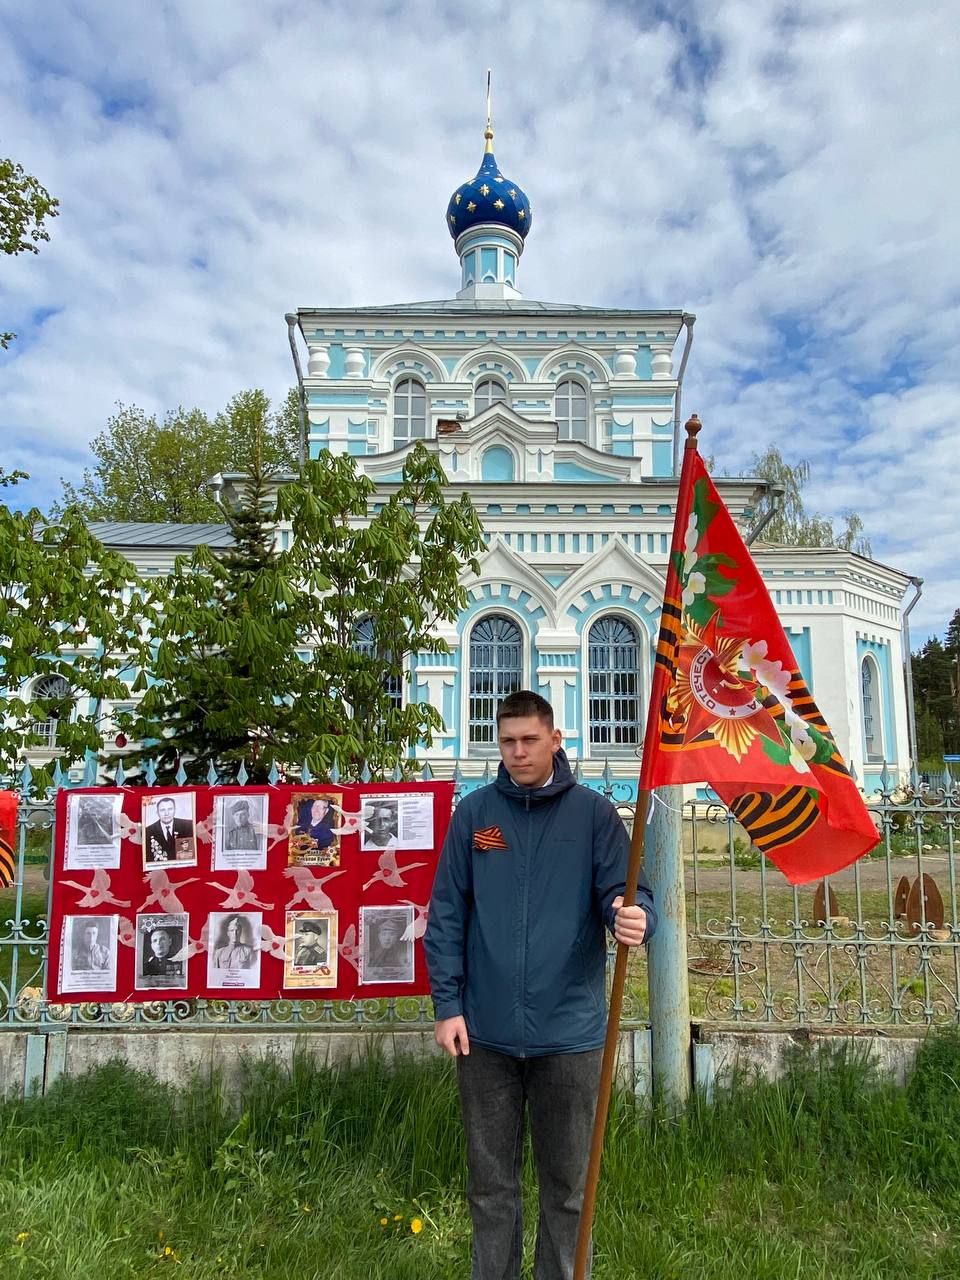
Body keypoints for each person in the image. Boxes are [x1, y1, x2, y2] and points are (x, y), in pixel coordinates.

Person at [424, 690, 656, 1280]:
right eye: (507, 741)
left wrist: (633, 916)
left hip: (570, 1035)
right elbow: (447, 912)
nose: (518, 752)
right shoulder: (475, 815)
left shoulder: (594, 816)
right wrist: (448, 1005)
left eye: (530, 740)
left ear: (556, 740)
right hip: (484, 1034)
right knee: (490, 1187)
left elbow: (625, 893)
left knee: (569, 1189)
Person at [144, 797, 194, 862]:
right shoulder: (147, 831)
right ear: (157, 812)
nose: (166, 813)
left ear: (175, 810)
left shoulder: (189, 826)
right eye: (162, 810)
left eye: (170, 809)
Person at [365, 912, 409, 976]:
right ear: (379, 936)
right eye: (383, 934)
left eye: (392, 934)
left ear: (396, 937)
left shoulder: (403, 956)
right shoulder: (371, 956)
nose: (387, 938)